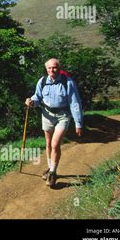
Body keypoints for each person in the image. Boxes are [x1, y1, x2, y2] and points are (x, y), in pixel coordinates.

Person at [25, 58, 83, 188]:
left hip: (63, 116)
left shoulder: (68, 82)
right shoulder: (42, 81)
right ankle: (51, 167)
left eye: (55, 67)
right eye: (50, 68)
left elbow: (75, 103)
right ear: (47, 69)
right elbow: (37, 97)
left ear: (59, 68)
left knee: (55, 144)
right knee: (48, 143)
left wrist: (78, 123)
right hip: (47, 115)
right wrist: (31, 101)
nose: (52, 70)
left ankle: (53, 172)